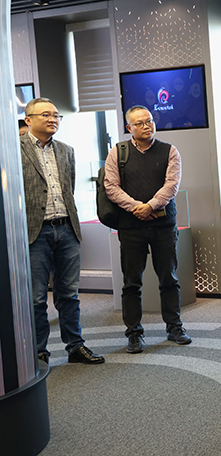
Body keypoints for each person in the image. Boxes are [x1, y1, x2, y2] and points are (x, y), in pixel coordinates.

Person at [20, 98, 104, 365]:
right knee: (36, 298)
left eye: (56, 115)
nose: (53, 119)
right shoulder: (13, 149)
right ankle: (38, 352)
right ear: (28, 119)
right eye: (46, 114)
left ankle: (75, 346)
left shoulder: (67, 150)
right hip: (35, 232)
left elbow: (69, 189)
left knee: (69, 294)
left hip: (67, 229)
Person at [104, 105, 192, 353]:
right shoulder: (117, 152)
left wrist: (151, 205)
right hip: (131, 227)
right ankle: (134, 333)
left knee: (169, 278)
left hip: (163, 225)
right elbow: (111, 187)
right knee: (132, 282)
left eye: (150, 121)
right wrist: (137, 207)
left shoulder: (169, 150)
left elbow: (172, 184)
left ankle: (174, 327)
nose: (146, 126)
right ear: (129, 127)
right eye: (140, 123)